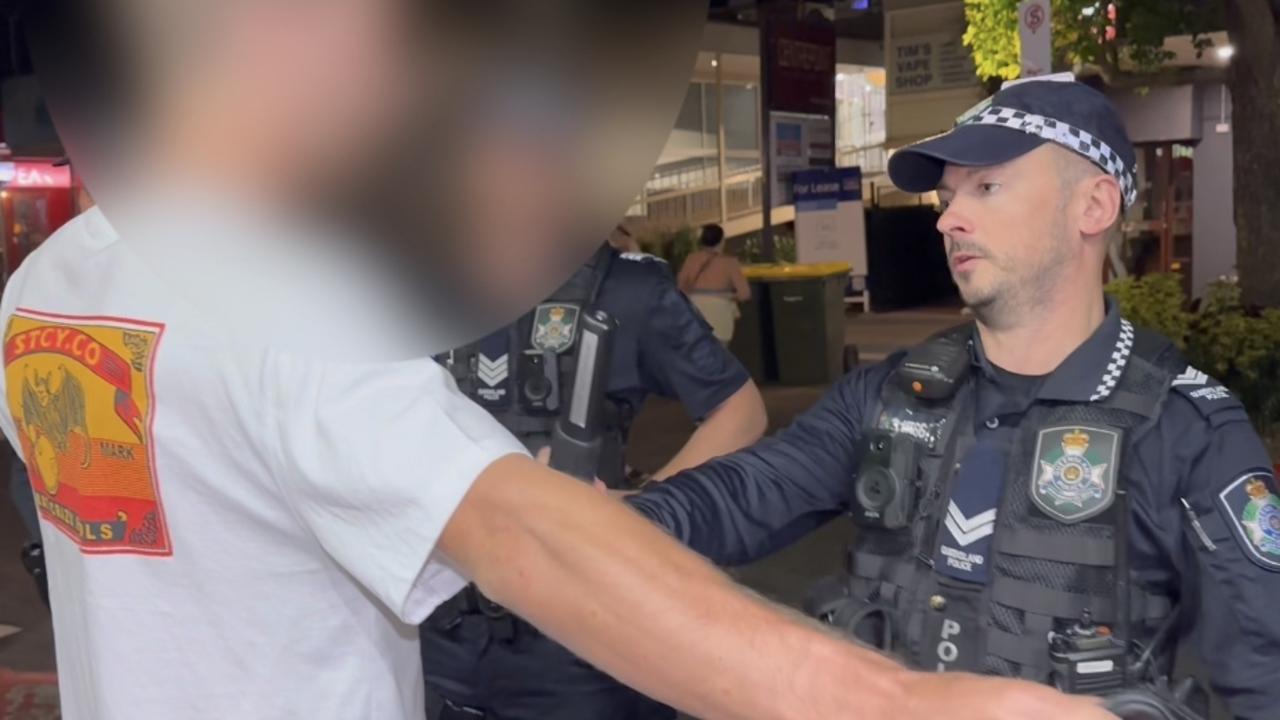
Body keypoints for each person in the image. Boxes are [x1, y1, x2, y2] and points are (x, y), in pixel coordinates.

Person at [0, 2, 1112, 720]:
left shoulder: (46, 293)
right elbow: (521, 533)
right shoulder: (292, 310)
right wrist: (893, 706)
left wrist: (621, 513)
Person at [625, 77, 1279, 720]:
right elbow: (741, 495)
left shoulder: (1190, 432)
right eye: (947, 195)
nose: (948, 218)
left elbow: (1266, 677)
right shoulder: (890, 394)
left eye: (987, 187)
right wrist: (603, 519)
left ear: (1094, 207)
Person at [422, 232, 768, 719]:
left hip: (583, 640)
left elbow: (739, 410)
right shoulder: (416, 285)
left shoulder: (626, 287)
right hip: (442, 629)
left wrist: (645, 509)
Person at [677, 223, 750, 345]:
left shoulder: (691, 259)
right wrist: (728, 296)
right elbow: (744, 294)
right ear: (721, 241)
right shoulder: (730, 263)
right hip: (719, 311)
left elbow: (680, 287)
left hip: (695, 310)